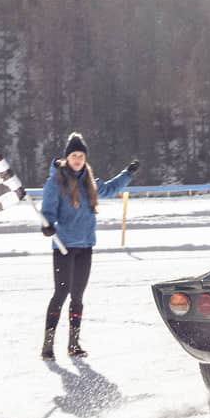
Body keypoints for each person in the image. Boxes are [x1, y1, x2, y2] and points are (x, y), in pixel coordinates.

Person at [39, 132, 139, 361]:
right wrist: (47, 226)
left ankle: (73, 344)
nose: (77, 159)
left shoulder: (89, 181)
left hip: (85, 246)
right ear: (67, 157)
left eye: (81, 156)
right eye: (73, 155)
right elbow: (48, 210)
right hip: (64, 246)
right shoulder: (56, 182)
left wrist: (128, 174)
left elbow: (111, 189)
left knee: (78, 296)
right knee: (61, 293)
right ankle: (48, 345)